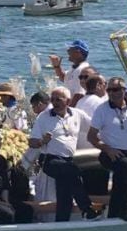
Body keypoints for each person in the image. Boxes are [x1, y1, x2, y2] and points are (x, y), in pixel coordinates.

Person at [87, 77, 127, 221]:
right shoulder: (102, 109)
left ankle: (113, 215)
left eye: (115, 89)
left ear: (124, 91)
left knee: (123, 178)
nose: (112, 93)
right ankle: (124, 209)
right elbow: (91, 136)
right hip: (109, 153)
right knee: (123, 167)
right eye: (109, 90)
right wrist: (107, 149)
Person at [28, 87, 99, 222]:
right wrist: (42, 141)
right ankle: (87, 209)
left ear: (68, 101)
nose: (55, 102)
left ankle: (62, 222)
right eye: (53, 99)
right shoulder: (43, 117)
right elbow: (31, 142)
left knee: (64, 192)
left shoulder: (77, 114)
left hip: (68, 161)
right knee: (72, 171)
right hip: (50, 160)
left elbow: (95, 126)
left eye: (58, 99)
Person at [49, 39, 91, 106]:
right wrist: (57, 66)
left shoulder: (81, 70)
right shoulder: (75, 67)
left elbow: (79, 95)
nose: (67, 51)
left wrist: (68, 111)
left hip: (75, 108)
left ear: (78, 53)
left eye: (70, 49)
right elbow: (63, 78)